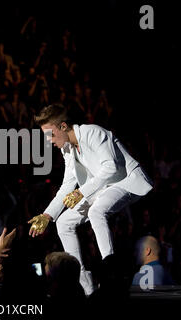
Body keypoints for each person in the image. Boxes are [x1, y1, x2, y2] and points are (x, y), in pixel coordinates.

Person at [28, 104, 153, 295]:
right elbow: (67, 186)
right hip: (101, 188)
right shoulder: (67, 149)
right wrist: (47, 215)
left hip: (126, 181)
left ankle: (111, 273)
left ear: (63, 126)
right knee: (63, 222)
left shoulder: (92, 132)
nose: (48, 141)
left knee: (96, 211)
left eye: (50, 135)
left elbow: (111, 168)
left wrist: (81, 192)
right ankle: (83, 285)